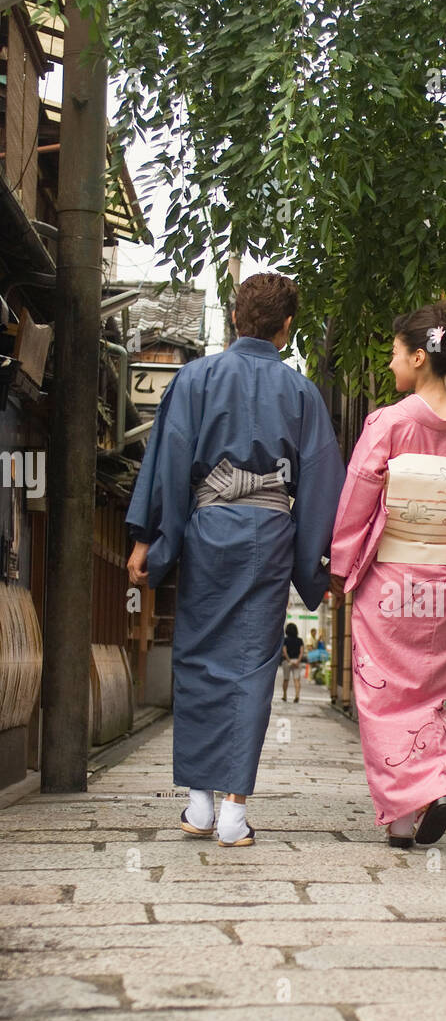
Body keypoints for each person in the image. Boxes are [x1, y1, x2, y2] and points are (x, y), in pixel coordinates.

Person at [126, 272, 344, 846]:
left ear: (237, 317)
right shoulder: (301, 393)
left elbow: (168, 461)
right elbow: (322, 481)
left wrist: (148, 538)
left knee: (197, 655)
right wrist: (318, 566)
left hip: (206, 528)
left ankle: (198, 805)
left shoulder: (194, 378)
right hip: (269, 533)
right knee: (251, 666)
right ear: (286, 327)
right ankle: (232, 814)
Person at [328, 300, 446, 847]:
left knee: (383, 697)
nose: (390, 365)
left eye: (394, 354)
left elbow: (359, 494)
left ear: (418, 357)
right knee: (427, 695)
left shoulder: (388, 422)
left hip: (391, 580)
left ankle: (413, 802)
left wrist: (341, 563)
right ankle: (421, 801)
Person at [281, 620, 305, 703]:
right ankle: (297, 696)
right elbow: (302, 652)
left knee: (286, 679)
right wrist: (297, 661)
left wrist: (289, 661)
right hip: (297, 661)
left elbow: (284, 651)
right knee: (297, 680)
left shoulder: (285, 640)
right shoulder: (300, 640)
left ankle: (284, 695)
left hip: (287, 661)